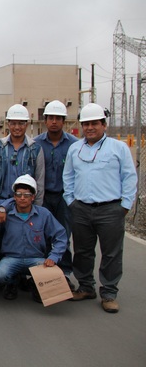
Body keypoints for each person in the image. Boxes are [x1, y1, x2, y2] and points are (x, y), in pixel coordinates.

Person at [63, 103, 137, 313]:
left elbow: (129, 177)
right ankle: (86, 287)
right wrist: (71, 201)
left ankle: (109, 293)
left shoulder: (118, 148)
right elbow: (68, 177)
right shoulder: (75, 148)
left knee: (111, 253)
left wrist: (124, 206)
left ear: (104, 124)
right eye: (86, 124)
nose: (90, 128)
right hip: (81, 209)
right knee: (83, 251)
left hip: (110, 209)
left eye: (94, 123)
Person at [0, 175, 66, 302]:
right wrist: (3, 207)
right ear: (14, 196)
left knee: (51, 273)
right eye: (19, 194)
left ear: (33, 197)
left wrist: (53, 256)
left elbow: (61, 236)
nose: (22, 198)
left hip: (36, 259)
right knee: (0, 275)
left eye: (26, 195)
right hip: (12, 258)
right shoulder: (5, 214)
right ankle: (12, 282)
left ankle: (35, 284)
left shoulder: (43, 214)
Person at [33, 100, 77, 283]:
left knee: (63, 236)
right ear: (45, 120)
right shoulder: (36, 144)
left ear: (64, 121)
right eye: (51, 118)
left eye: (58, 118)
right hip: (43, 197)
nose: (54, 122)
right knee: (41, 235)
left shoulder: (74, 145)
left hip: (64, 198)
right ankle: (43, 275)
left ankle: (64, 274)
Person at [0, 104, 45, 205]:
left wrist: (37, 206)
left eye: (21, 123)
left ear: (26, 124)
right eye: (13, 123)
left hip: (25, 204)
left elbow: (39, 180)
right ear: (8, 124)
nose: (17, 127)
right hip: (0, 201)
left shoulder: (36, 149)